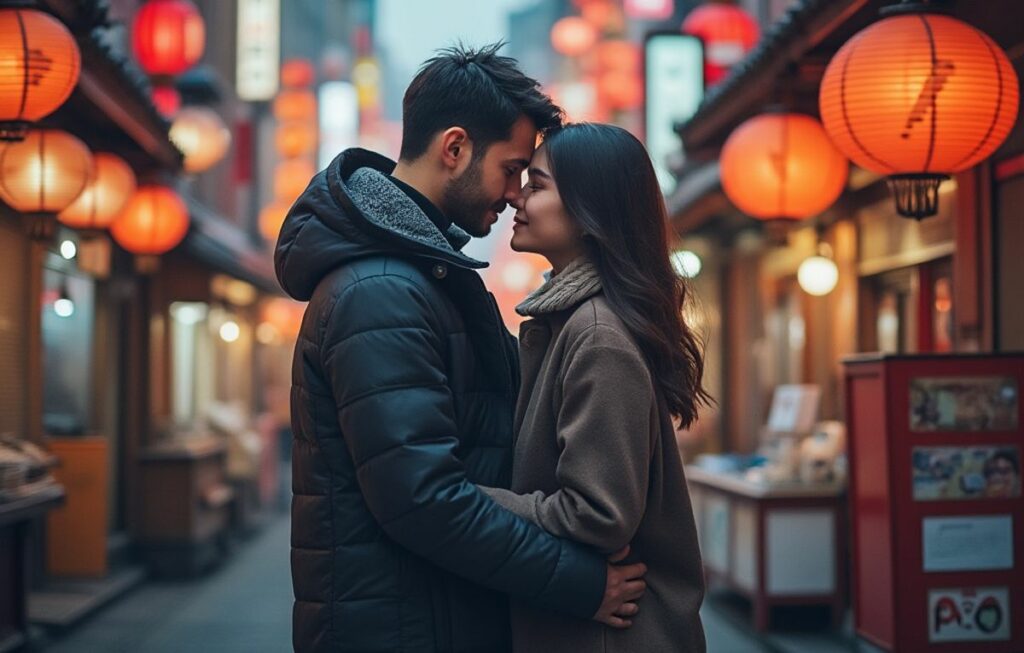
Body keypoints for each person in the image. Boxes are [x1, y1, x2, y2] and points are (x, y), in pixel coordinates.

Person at [274, 44, 646, 653]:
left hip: (430, 612)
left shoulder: (426, 273)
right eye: (510, 169)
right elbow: (423, 499)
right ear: (455, 149)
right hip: (404, 625)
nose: (513, 195)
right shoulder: (383, 291)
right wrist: (583, 585)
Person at [480, 123, 710, 652]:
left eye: (536, 185)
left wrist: (471, 500)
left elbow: (597, 514)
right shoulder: (574, 324)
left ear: (588, 212)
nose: (516, 196)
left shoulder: (597, 335)